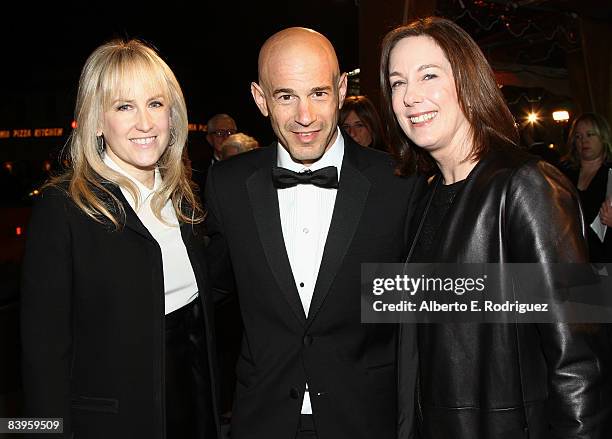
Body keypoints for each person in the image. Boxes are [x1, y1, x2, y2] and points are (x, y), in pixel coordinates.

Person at [379, 17, 608, 438]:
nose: (410, 96)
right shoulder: (423, 198)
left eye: (428, 74)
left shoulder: (531, 183)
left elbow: (581, 359)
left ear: (468, 81)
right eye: (397, 83)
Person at [205, 27, 419, 439]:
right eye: (286, 96)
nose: (305, 116)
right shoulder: (228, 185)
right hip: (262, 419)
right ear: (260, 98)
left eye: (318, 93)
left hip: (367, 419)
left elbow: (425, 309)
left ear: (341, 90)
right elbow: (206, 293)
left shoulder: (399, 183)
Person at [20, 39, 219, 439]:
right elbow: (43, 359)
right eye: (124, 106)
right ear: (95, 121)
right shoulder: (63, 210)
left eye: (156, 104)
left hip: (194, 414)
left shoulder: (185, 199)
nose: (144, 123)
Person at [561, 112, 612, 262]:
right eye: (578, 136)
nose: (583, 141)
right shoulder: (564, 174)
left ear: (603, 137)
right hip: (572, 259)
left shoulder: (610, 172)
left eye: (590, 134)